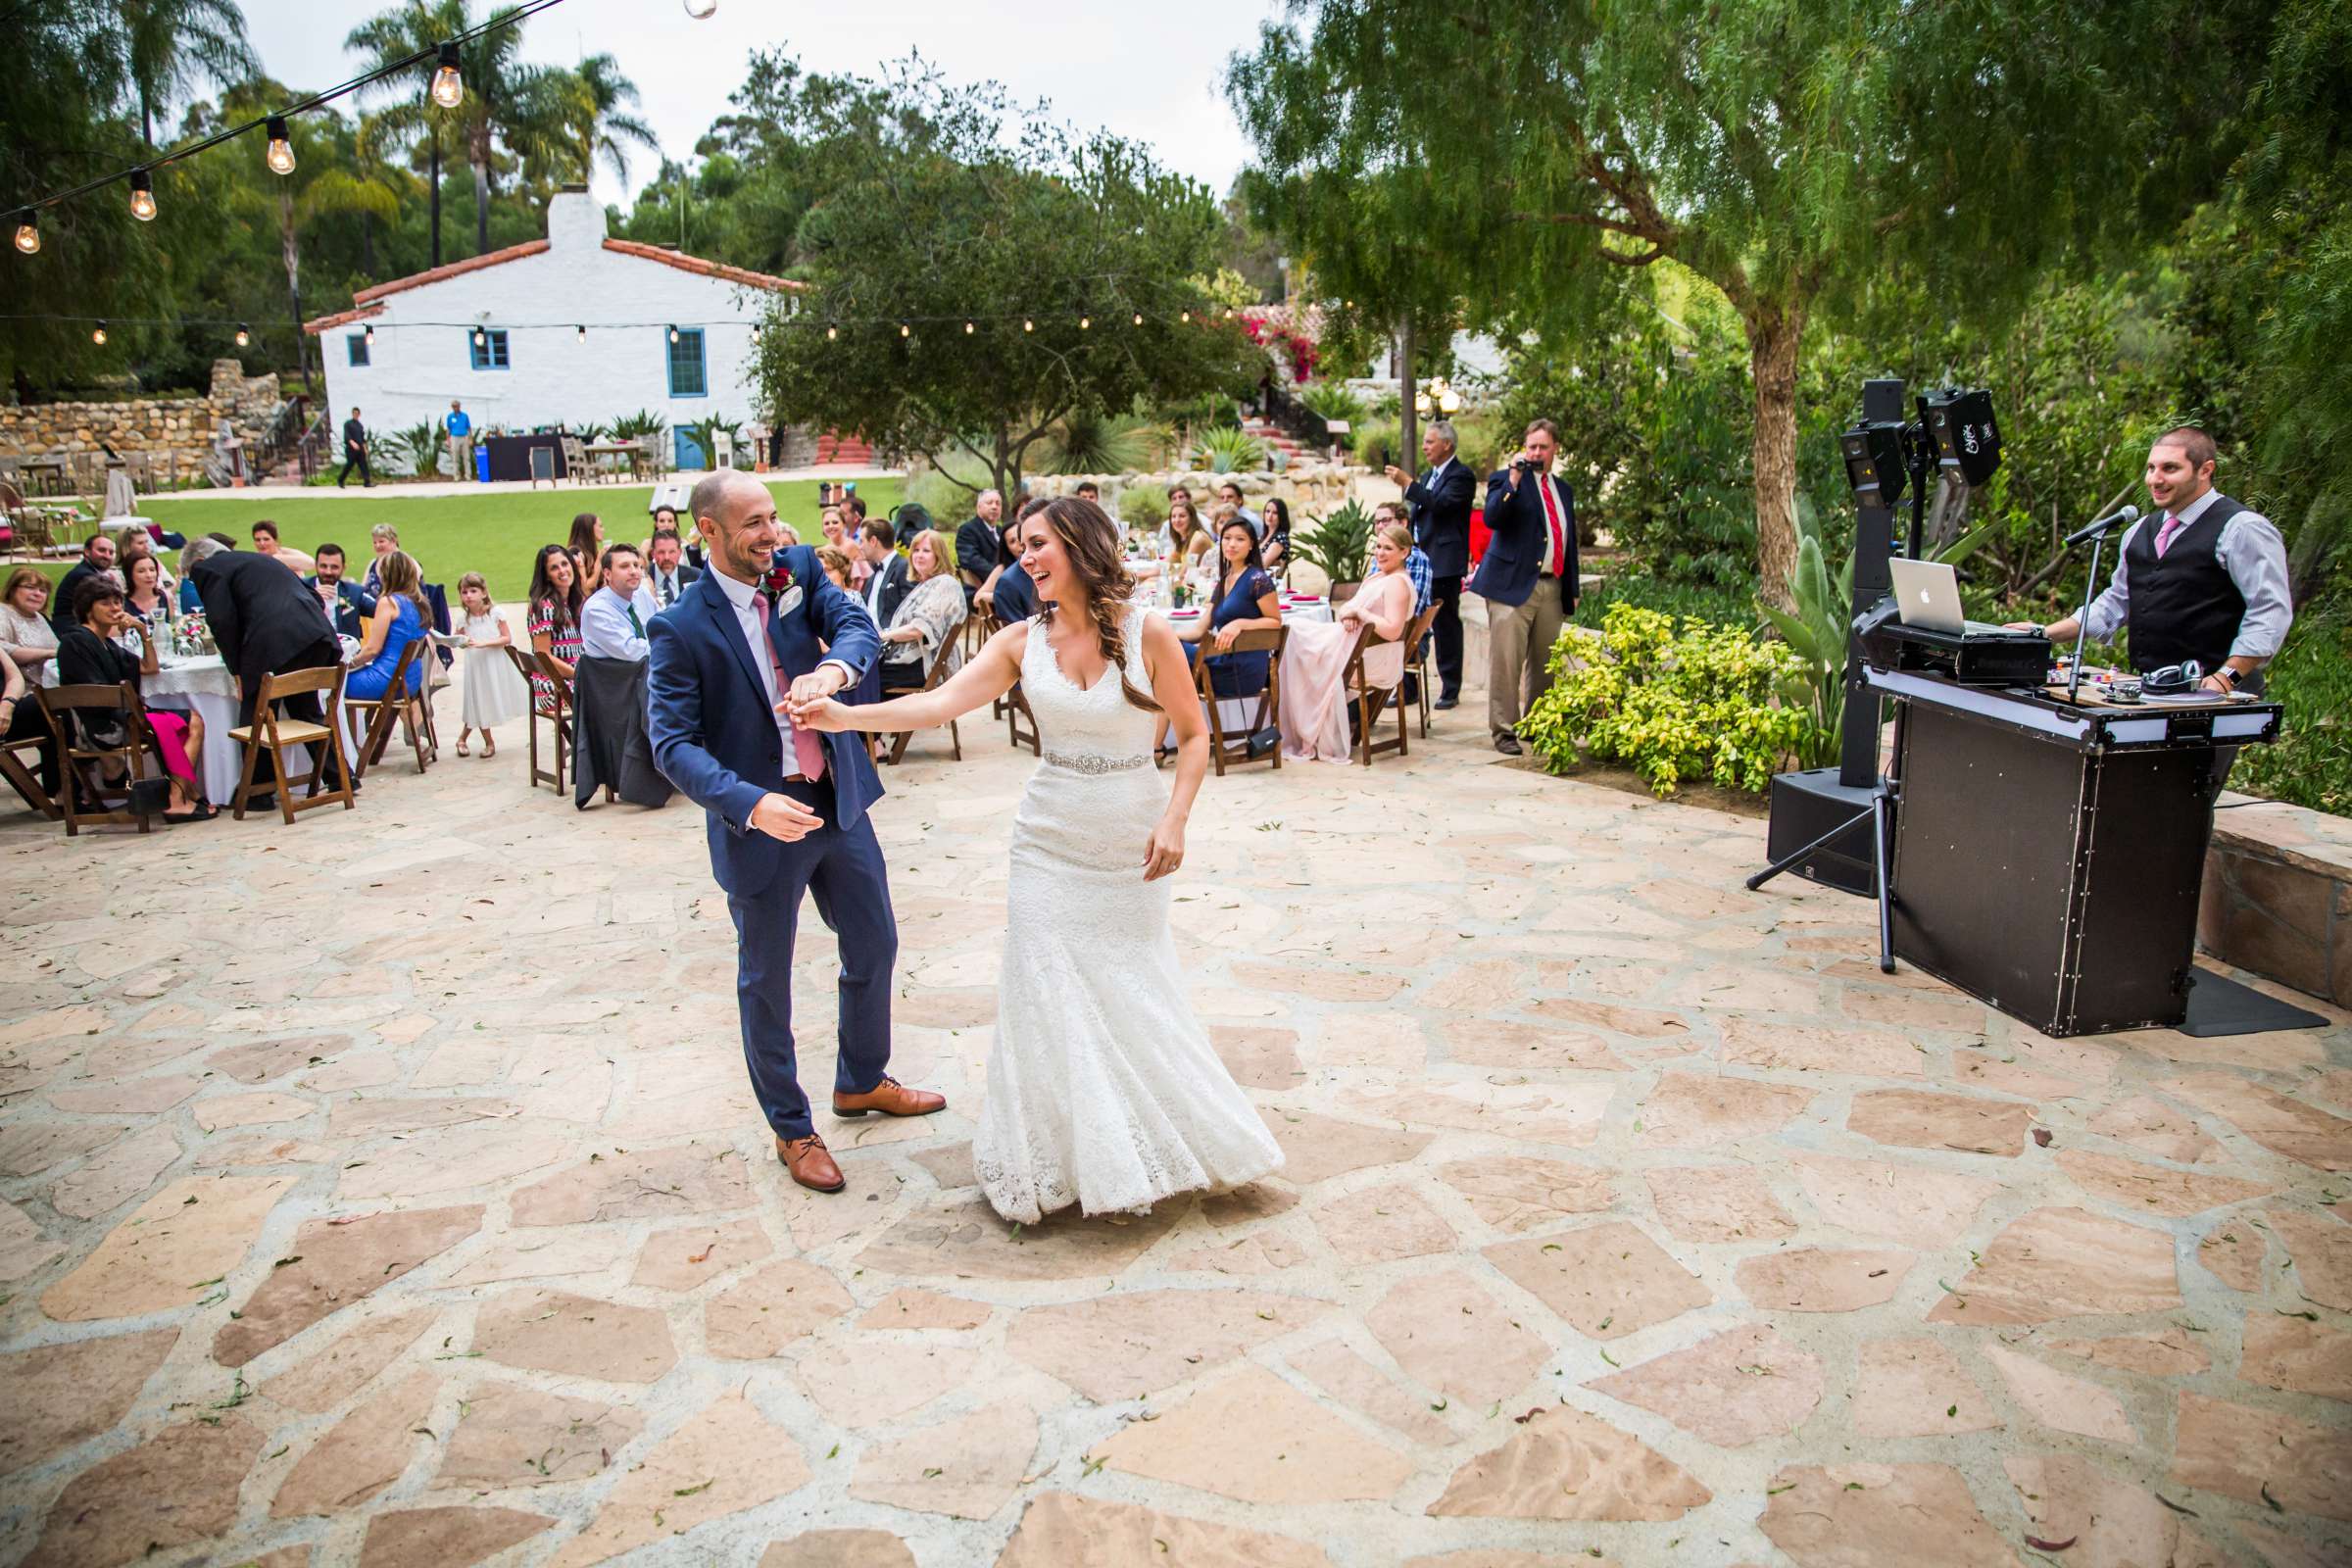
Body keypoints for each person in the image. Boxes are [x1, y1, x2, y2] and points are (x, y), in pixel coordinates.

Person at [792, 496, 1283, 1221]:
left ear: (1082, 547)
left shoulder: (1147, 632)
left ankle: (1150, 1134)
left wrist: (1176, 818)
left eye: (1039, 544)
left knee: (1131, 990)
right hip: (1047, 842)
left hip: (1128, 841)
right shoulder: (1022, 640)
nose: (1025, 558)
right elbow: (937, 705)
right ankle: (1056, 1154)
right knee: (1046, 991)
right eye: (1020, 546)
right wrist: (845, 716)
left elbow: (1195, 734)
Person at [646, 468, 942, 1198]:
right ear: (708, 532)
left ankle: (862, 1079)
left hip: (838, 799)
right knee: (766, 980)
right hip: (761, 822)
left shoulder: (801, 567)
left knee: (875, 942)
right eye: (752, 523)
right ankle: (792, 1127)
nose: (772, 534)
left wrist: (835, 672)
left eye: (773, 517)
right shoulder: (679, 626)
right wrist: (748, 804)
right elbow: (671, 745)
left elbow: (856, 627)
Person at [2009, 426, 2293, 698]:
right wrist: (2043, 634)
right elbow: (2116, 603)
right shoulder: (2139, 530)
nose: (2155, 479)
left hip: (2218, 691)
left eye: (2170, 468)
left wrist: (2225, 678)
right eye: (2151, 468)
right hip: (2152, 688)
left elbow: (2270, 611)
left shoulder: (2242, 528)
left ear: (2205, 470)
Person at [183, 536, 349, 802]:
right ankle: (340, 775)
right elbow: (313, 597)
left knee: (256, 713)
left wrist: (235, 669)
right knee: (305, 708)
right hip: (315, 635)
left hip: (273, 643)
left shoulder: (208, 568)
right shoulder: (259, 560)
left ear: (199, 562)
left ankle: (258, 791)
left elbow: (222, 621)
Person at [56, 577, 213, 822]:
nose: (116, 609)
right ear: (88, 608)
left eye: (118, 603)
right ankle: (177, 798)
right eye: (106, 604)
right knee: (192, 721)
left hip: (120, 715)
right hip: (103, 726)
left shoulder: (106, 643)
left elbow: (150, 667)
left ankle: (180, 793)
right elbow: (93, 693)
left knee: (191, 720)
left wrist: (142, 631)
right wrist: (135, 708)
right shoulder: (75, 641)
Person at [1472, 417, 1578, 756]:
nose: (1536, 453)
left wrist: (1570, 587)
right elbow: (1492, 519)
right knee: (1506, 663)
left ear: (1554, 449)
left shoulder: (1563, 490)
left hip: (1551, 586)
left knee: (1545, 663)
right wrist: (1514, 480)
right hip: (1510, 587)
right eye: (1531, 446)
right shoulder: (1507, 480)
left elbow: (1568, 541)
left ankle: (1538, 724)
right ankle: (1503, 730)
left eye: (1542, 447)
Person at [1278, 521, 1418, 762]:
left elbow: (1393, 630)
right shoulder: (1379, 576)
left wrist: (1361, 615)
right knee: (1295, 630)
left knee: (1296, 639)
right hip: (1352, 645)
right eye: (1378, 547)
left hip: (1370, 658)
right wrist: (1347, 616)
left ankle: (1303, 728)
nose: (1380, 553)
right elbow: (1349, 607)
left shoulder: (1397, 584)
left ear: (1404, 552)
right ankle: (1300, 724)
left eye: (1388, 548)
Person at [1158, 514, 1282, 758]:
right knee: (1165, 660)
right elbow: (1198, 631)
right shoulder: (1224, 581)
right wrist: (1166, 634)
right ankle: (1156, 748)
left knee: (1166, 665)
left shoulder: (1258, 580)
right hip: (1219, 662)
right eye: (1227, 538)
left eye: (1239, 539)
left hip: (1241, 670)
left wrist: (1240, 623)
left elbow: (1276, 623)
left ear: (1251, 546)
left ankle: (1157, 747)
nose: (1232, 544)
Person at [1388, 418, 1474, 710]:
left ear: (1447, 444)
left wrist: (1407, 483)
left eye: (1429, 441)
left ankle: (1450, 688)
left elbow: (1441, 504)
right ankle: (1408, 687)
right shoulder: (1427, 476)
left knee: (1446, 623)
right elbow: (1421, 512)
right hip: (1418, 561)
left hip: (1445, 562)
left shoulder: (1462, 476)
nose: (1424, 446)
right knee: (1411, 623)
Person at [876, 528, 967, 691]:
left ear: (939, 556)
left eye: (926, 551)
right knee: (859, 671)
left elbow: (918, 629)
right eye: (916, 550)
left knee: (862, 679)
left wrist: (882, 636)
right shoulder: (925, 585)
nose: (918, 555)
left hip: (924, 666)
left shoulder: (945, 584)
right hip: (905, 663)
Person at [1, 568, 61, 799]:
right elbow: (5, 649)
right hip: (26, 695)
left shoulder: (40, 619)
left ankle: (67, 785)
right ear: (13, 590)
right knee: (56, 711)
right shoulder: (4, 613)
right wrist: (46, 653)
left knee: (61, 708)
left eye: (43, 590)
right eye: (30, 587)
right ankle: (64, 787)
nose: (37, 594)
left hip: (33, 691)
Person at [452, 572, 524, 759]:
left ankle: (462, 738)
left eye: (473, 591)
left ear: (483, 593)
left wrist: (485, 643)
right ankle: (488, 742)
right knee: (479, 700)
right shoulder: (463, 619)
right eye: (464, 592)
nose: (468, 595)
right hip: (476, 665)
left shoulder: (495, 614)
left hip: (493, 663)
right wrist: (462, 641)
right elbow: (457, 640)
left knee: (484, 701)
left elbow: (507, 638)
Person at [344, 549, 428, 705]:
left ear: (386, 574)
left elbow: (372, 650)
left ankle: (344, 729)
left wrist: (348, 665)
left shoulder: (388, 603)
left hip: (388, 679)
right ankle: (367, 729)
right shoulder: (420, 602)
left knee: (332, 684)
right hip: (411, 679)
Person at [525, 544, 585, 715]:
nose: (562, 571)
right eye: (554, 568)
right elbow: (543, 656)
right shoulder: (545, 606)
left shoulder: (570, 603)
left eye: (565, 564)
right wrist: (579, 675)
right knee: (614, 694)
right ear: (547, 576)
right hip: (556, 687)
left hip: (569, 681)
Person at [580, 542, 662, 662]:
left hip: (650, 671)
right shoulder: (596, 610)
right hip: (617, 677)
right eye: (624, 566)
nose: (633, 571)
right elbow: (632, 651)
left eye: (636, 565)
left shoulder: (642, 594)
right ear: (607, 574)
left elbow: (664, 625)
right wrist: (667, 645)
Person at [1371, 501, 1435, 615]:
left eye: (1386, 520)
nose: (1380, 526)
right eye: (1377, 522)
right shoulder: (1379, 557)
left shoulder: (1416, 558)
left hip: (1401, 629)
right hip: (1373, 624)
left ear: (1402, 523)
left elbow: (1412, 609)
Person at [976, 513, 1038, 623]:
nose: (1019, 543)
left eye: (1020, 537)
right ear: (1007, 548)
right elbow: (978, 598)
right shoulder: (1003, 569)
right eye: (1012, 541)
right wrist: (1005, 595)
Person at [309, 544, 377, 640]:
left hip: (345, 653)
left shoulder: (353, 593)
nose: (328, 572)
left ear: (344, 568)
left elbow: (381, 610)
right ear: (316, 565)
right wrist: (310, 597)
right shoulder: (302, 588)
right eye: (323, 566)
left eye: (334, 567)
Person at [52, 534, 117, 634]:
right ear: (87, 551)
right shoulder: (85, 575)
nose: (107, 556)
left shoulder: (89, 571)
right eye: (101, 550)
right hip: (72, 629)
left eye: (111, 552)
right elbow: (102, 610)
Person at [956, 488, 1005, 605]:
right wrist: (1000, 577)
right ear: (979, 507)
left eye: (998, 503)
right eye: (989, 503)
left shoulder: (1001, 531)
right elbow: (970, 559)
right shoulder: (968, 530)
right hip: (983, 589)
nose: (994, 507)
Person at [858, 516, 911, 627]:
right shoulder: (874, 573)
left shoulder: (903, 567)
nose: (860, 547)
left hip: (891, 639)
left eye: (862, 541)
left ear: (873, 541)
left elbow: (910, 611)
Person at [645, 529, 700, 611]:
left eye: (672, 552)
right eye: (661, 552)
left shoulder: (696, 577)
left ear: (680, 552)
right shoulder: (644, 578)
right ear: (653, 553)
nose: (667, 557)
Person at [1159, 492, 1210, 567]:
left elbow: (1185, 572)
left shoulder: (1198, 539)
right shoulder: (1183, 540)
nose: (1177, 520)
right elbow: (1165, 566)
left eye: (1182, 516)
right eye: (1173, 516)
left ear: (1192, 519)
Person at [250, 519, 315, 577]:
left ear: (276, 541)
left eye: (266, 539)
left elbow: (311, 563)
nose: (262, 543)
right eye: (257, 540)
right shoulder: (255, 560)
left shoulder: (285, 555)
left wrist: (276, 558)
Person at [567, 513, 607, 599]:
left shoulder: (594, 552)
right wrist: (599, 561)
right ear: (589, 529)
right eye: (600, 526)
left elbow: (602, 585)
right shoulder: (575, 553)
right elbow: (585, 589)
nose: (603, 530)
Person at [1258, 495, 1294, 578]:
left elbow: (1263, 565)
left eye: (1275, 513)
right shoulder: (1262, 537)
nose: (1270, 516)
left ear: (1282, 516)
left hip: (1267, 584)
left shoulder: (1281, 537)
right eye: (1267, 511)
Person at [337, 406, 372, 488]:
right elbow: (346, 435)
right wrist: (352, 443)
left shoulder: (360, 425)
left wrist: (365, 448)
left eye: (357, 413)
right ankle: (340, 480)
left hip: (360, 449)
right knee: (349, 465)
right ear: (352, 414)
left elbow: (362, 438)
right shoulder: (348, 424)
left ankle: (367, 482)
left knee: (363, 465)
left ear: (359, 414)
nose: (355, 415)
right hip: (351, 449)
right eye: (354, 413)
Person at [363, 523, 399, 595]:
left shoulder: (404, 563)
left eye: (381, 541)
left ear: (393, 541)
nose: (377, 545)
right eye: (374, 542)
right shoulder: (373, 563)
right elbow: (362, 589)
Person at [444, 399, 474, 481]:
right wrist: (447, 439)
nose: (454, 408)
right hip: (454, 437)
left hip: (464, 437)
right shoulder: (450, 416)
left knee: (466, 457)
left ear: (459, 406)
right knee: (455, 457)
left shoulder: (465, 416)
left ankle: (468, 475)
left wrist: (471, 439)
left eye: (456, 406)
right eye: (453, 406)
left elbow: (469, 427)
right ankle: (456, 476)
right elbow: (448, 428)